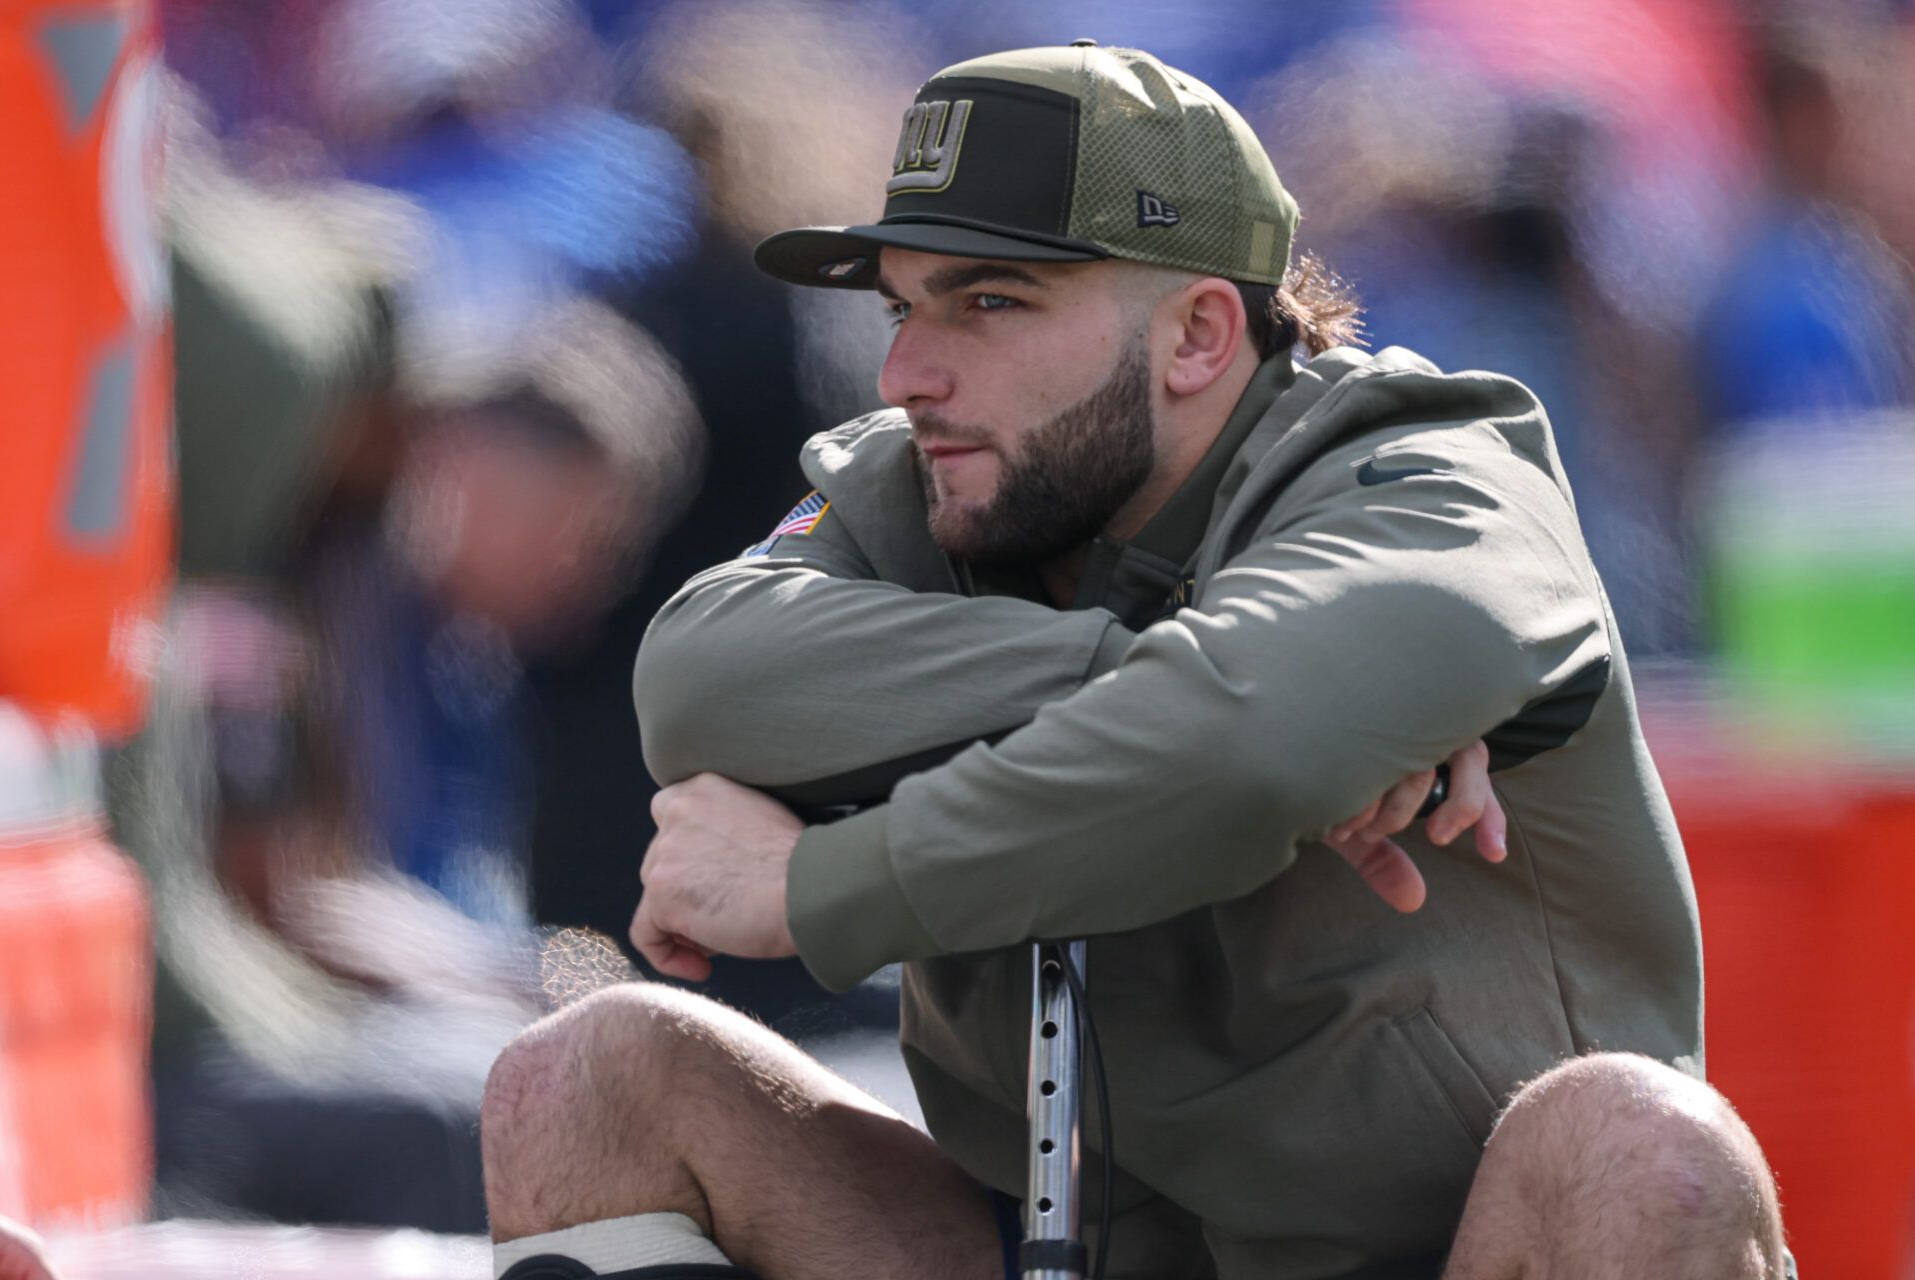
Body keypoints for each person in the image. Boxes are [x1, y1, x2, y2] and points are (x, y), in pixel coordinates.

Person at [480, 43, 1787, 1280]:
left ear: (1200, 335)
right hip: (1059, 1248)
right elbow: (702, 677)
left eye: (990, 302)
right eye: (903, 306)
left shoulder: (1439, 482)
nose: (907, 372)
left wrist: (821, 886)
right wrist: (1209, 679)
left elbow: (1248, 748)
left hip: (1449, 1255)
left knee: (1640, 1148)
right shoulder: (938, 479)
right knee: (591, 1071)